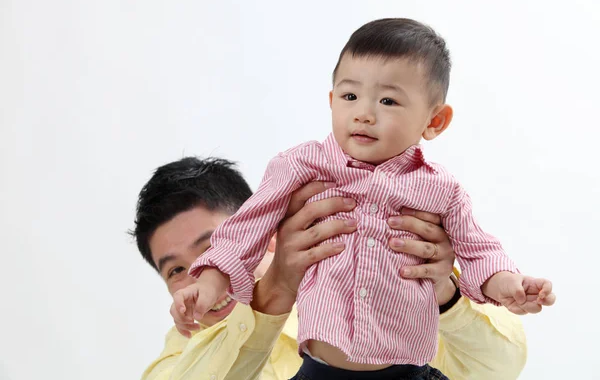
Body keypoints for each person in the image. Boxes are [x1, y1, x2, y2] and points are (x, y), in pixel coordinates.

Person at [175, 19, 555, 379]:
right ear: (332, 100)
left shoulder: (441, 189)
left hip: (408, 372)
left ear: (434, 121)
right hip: (318, 371)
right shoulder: (300, 166)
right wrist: (208, 285)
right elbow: (242, 232)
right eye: (350, 95)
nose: (363, 114)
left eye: (388, 101)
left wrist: (507, 283)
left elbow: (479, 250)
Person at [134, 157, 528, 380]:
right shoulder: (185, 352)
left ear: (260, 232)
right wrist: (276, 290)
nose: (199, 273)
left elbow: (499, 368)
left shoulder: (373, 291)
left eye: (211, 249)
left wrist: (441, 291)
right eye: (175, 270)